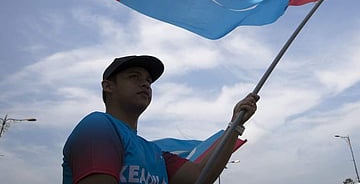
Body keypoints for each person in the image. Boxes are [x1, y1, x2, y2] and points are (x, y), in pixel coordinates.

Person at [62, 55, 259, 184]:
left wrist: (235, 124)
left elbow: (201, 174)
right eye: (134, 77)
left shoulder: (156, 154)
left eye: (148, 80)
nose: (145, 84)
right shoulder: (98, 126)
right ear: (108, 86)